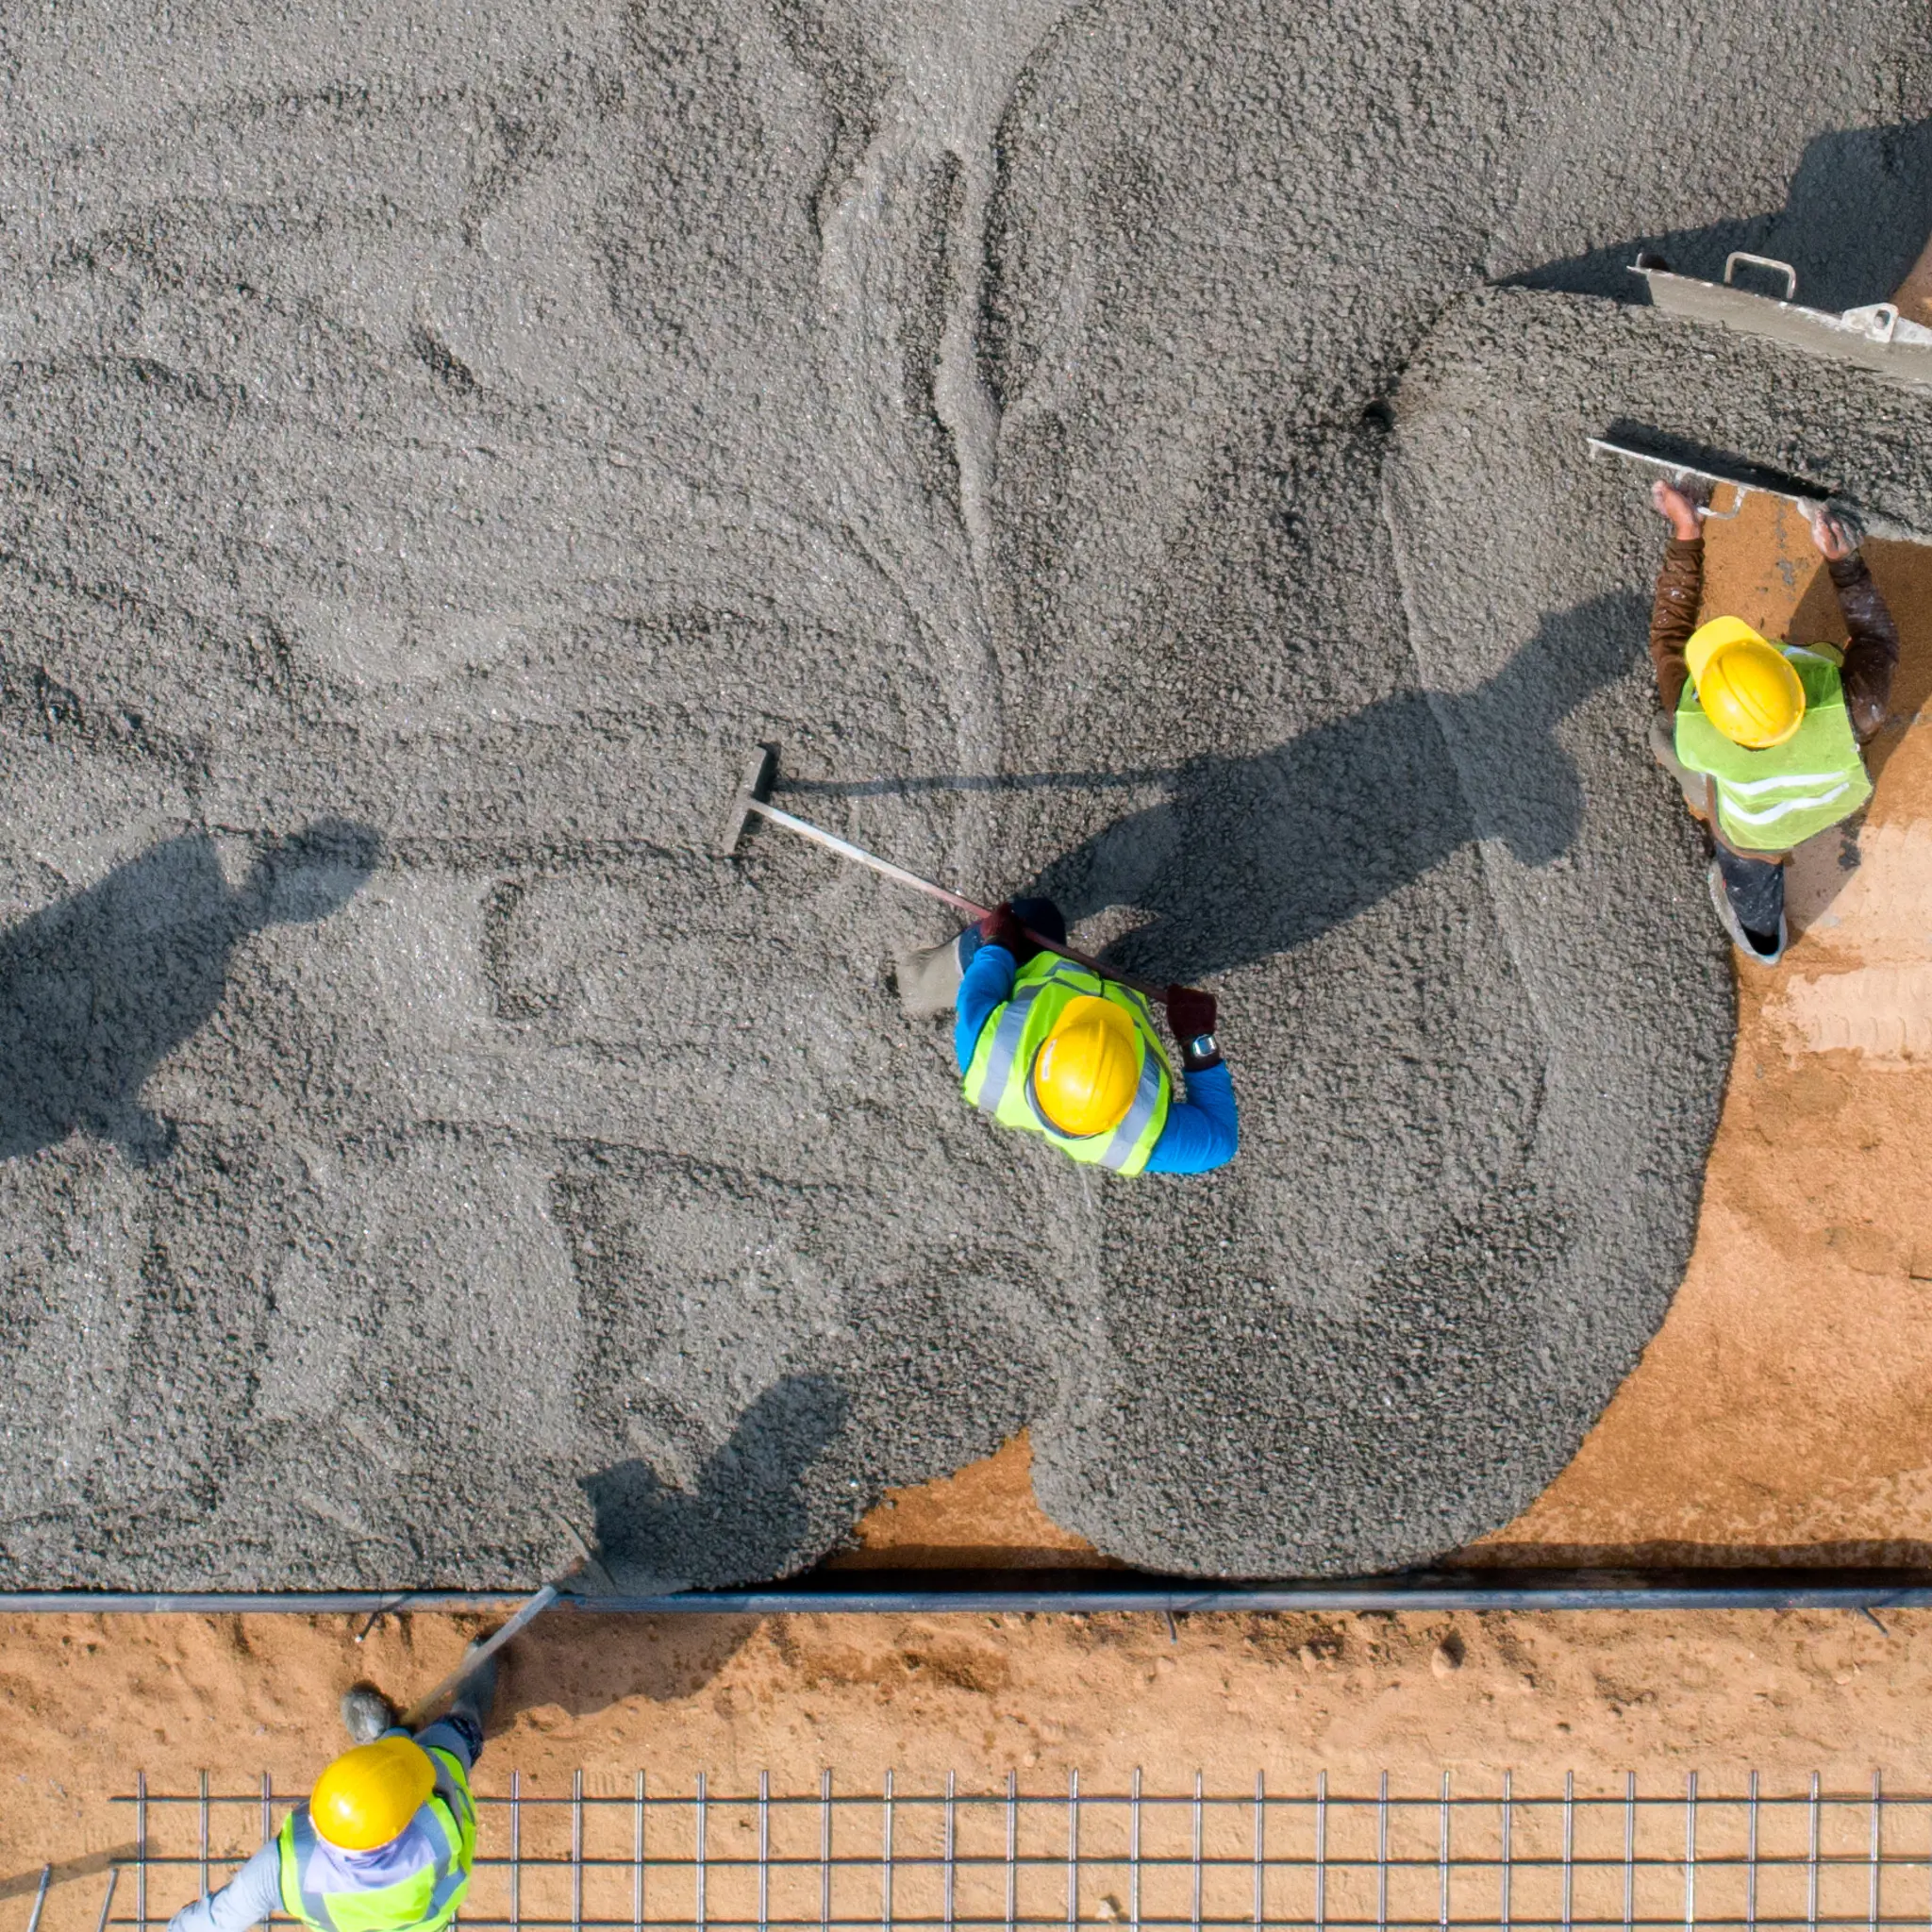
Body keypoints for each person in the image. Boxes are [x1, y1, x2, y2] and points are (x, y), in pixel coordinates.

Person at [1648, 479, 1900, 964]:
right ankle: (1762, 934)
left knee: (1664, 736)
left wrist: (1687, 529)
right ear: (1784, 669)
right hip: (1824, 801)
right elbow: (1877, 638)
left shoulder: (1694, 725)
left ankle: (1764, 941)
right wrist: (1843, 563)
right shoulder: (1853, 710)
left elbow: (1670, 632)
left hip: (1754, 832)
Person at [900, 897, 1237, 1174]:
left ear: (1049, 1047)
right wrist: (1197, 1040)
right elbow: (1220, 1139)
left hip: (1033, 986)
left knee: (1033, 918)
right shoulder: (1139, 1135)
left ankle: (917, 983)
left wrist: (999, 937)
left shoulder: (987, 1044)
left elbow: (988, 970)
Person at [166, 1661, 496, 1932]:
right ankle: (464, 1713)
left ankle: (384, 1738)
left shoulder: (285, 1868)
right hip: (423, 1921)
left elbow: (216, 1921)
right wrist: (410, 1744)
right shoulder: (437, 1828)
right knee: (452, 1742)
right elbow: (432, 1775)